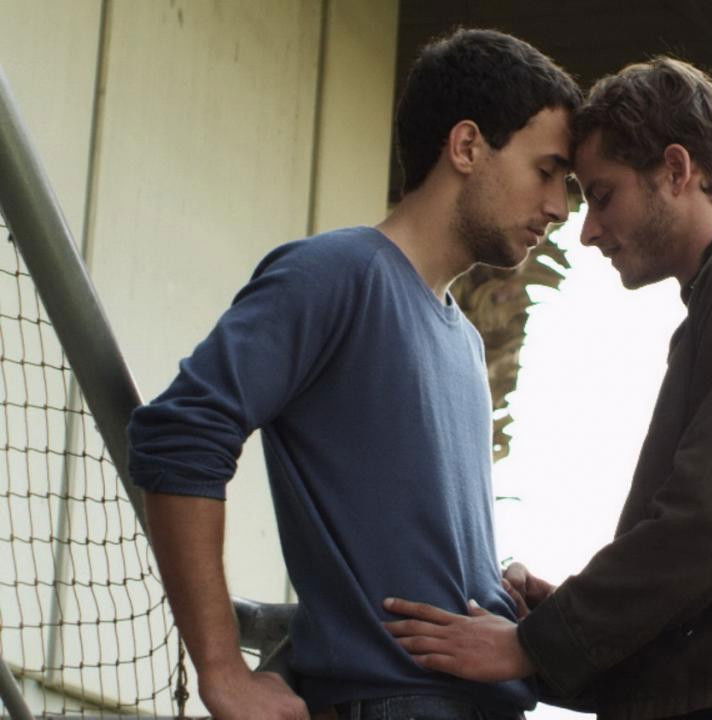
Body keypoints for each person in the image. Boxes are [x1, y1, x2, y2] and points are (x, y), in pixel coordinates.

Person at [382, 57, 712, 720]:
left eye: (602, 195)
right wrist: (558, 619)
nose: (587, 229)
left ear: (676, 170)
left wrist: (534, 643)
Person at [127, 29, 581, 720]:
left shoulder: (464, 340)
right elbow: (181, 431)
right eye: (546, 171)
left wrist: (492, 584)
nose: (559, 206)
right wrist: (223, 670)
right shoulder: (337, 273)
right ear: (466, 147)